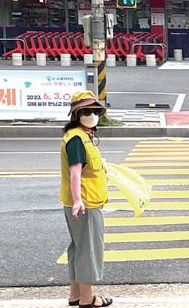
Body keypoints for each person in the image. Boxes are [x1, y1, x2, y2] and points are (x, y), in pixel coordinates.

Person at [60, 91, 112, 308]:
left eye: (94, 111)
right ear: (76, 115)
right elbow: (75, 173)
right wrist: (79, 200)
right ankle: (87, 299)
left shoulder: (82, 136)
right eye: (86, 111)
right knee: (89, 251)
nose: (92, 115)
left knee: (78, 249)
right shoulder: (76, 140)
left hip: (83, 202)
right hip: (85, 204)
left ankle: (75, 294)